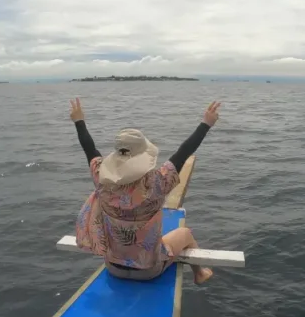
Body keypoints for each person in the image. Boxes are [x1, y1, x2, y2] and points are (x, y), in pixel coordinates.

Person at [69, 98, 221, 284]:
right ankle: (200, 274)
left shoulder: (101, 178)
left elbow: (89, 148)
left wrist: (79, 120)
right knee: (185, 234)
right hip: (149, 270)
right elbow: (184, 152)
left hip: (112, 267)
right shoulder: (157, 182)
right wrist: (206, 123)